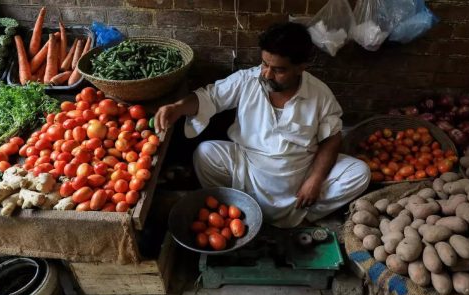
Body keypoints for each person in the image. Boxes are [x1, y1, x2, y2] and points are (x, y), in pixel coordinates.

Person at [154, 22, 370, 228]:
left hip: (299, 172)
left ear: (301, 67)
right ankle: (235, 210)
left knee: (359, 173)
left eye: (278, 70)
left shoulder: (320, 94)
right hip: (248, 167)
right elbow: (209, 97)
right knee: (205, 153)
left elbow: (332, 138)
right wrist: (178, 107)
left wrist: (314, 179)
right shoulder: (247, 80)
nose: (266, 74)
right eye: (264, 64)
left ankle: (305, 216)